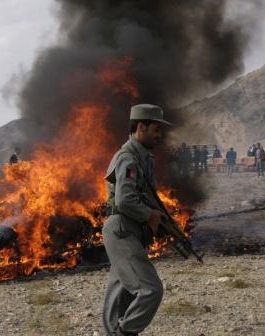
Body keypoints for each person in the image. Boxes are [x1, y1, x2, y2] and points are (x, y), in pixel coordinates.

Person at [103, 104, 169, 336]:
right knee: (150, 289)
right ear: (141, 126)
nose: (159, 135)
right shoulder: (127, 158)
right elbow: (125, 200)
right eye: (156, 129)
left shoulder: (144, 159)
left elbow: (147, 196)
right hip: (121, 230)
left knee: (120, 291)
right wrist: (149, 215)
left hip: (130, 231)